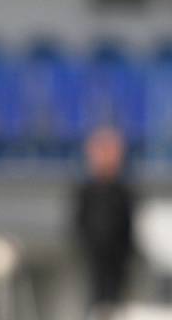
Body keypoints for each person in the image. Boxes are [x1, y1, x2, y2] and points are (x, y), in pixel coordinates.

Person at [74, 125, 135, 320]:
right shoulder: (86, 191)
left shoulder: (124, 191)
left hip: (119, 259)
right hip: (93, 257)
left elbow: (129, 226)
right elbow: (79, 223)